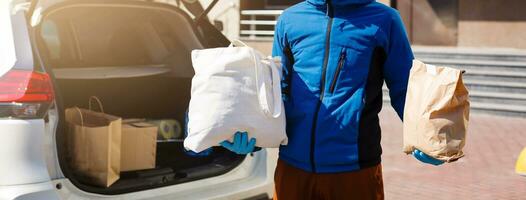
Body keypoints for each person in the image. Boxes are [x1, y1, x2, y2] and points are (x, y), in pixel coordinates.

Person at [220, 0, 444, 199]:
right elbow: (276, 92)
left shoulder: (385, 20)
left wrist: (427, 136)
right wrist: (254, 136)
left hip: (354, 170)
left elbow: (405, 89)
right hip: (292, 168)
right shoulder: (290, 20)